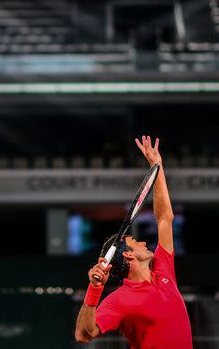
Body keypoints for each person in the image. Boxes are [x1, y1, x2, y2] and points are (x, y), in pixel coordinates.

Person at [74, 135, 193, 348]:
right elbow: (84, 334)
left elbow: (165, 218)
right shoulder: (121, 299)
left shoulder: (163, 269)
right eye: (136, 242)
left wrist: (157, 167)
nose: (144, 243)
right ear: (128, 255)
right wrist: (94, 289)